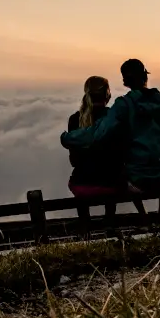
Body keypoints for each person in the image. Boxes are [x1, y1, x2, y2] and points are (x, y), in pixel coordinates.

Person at [61, 59, 160, 216]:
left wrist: (67, 138)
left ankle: (143, 216)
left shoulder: (123, 105)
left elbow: (98, 134)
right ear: (146, 77)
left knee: (124, 171)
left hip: (138, 180)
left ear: (125, 81)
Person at [66, 76, 128, 224]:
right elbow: (123, 155)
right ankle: (110, 224)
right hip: (112, 185)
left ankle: (85, 228)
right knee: (114, 175)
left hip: (81, 186)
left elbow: (73, 160)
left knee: (84, 180)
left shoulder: (74, 120)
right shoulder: (115, 118)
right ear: (108, 95)